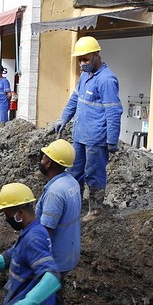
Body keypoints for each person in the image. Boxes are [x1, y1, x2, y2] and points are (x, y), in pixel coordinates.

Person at [54, 36, 123, 219]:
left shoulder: (107, 80)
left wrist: (112, 140)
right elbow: (74, 99)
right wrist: (64, 118)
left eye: (86, 59)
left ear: (96, 55)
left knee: (94, 173)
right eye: (80, 60)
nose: (82, 64)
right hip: (80, 135)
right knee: (74, 172)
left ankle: (95, 210)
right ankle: (74, 207)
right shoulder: (85, 76)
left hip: (96, 138)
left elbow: (113, 112)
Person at [36, 139, 82, 305]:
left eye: (45, 157)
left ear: (51, 164)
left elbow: (46, 231)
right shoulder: (70, 182)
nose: (41, 159)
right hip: (67, 251)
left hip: (53, 258)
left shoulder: (55, 192)